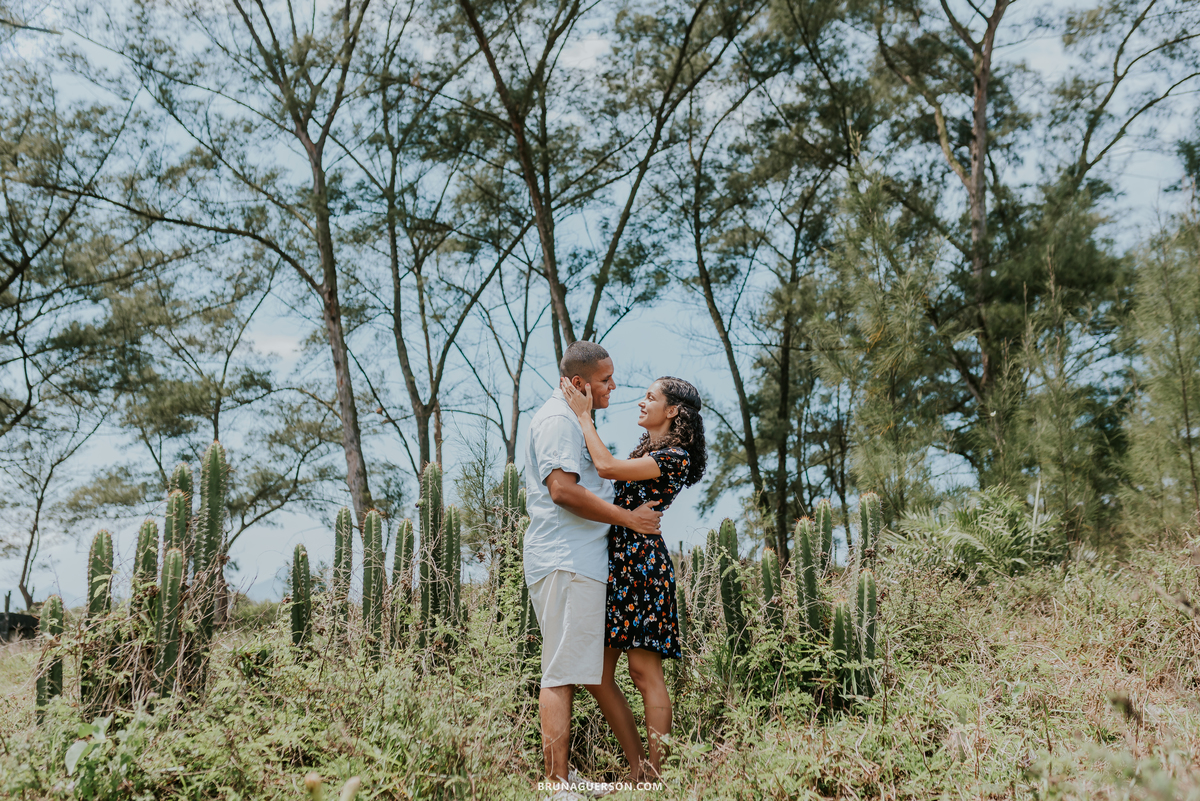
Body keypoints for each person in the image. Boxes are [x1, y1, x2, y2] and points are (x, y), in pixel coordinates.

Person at [524, 341, 664, 799]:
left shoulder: (570, 421)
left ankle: (561, 776)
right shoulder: (559, 421)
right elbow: (562, 491)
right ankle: (555, 785)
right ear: (580, 384)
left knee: (569, 667)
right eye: (605, 380)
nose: (613, 386)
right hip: (566, 560)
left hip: (578, 561)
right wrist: (630, 519)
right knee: (560, 672)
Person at [560, 374, 707, 781]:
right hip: (619, 566)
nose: (641, 403)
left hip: (643, 568)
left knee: (645, 674)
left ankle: (653, 774)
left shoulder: (675, 456)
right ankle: (638, 766)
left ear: (673, 410)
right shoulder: (649, 451)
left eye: (650, 398)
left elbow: (606, 468)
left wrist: (584, 417)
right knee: (598, 675)